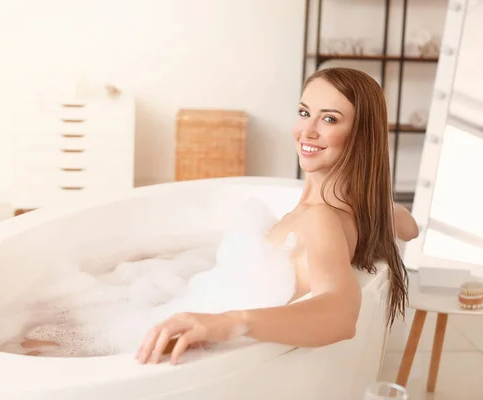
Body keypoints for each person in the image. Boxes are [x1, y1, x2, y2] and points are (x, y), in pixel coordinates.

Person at [136, 67, 415, 365]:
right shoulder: (352, 209)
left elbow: (341, 315)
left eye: (330, 119)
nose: (307, 131)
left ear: (361, 135)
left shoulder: (322, 218)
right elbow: (409, 226)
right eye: (305, 112)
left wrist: (232, 322)